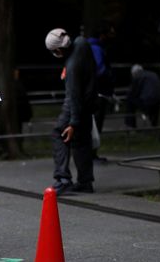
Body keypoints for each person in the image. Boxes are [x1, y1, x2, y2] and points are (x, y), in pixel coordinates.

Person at [45, 28, 96, 195]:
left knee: (59, 134)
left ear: (59, 50)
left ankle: (63, 178)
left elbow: (73, 96)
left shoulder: (71, 67)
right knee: (82, 141)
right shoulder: (82, 43)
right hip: (89, 102)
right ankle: (85, 182)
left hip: (75, 105)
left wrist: (73, 123)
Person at [87, 21, 116, 138]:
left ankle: (92, 153)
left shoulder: (94, 47)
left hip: (98, 92)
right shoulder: (96, 49)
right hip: (99, 93)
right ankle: (91, 154)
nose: (113, 36)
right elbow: (100, 70)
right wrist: (109, 75)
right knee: (96, 124)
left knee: (95, 125)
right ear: (103, 35)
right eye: (110, 33)